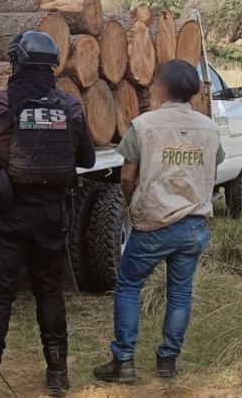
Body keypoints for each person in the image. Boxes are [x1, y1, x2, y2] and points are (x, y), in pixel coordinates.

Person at [0, 31, 96, 398]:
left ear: (17, 63)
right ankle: (57, 377)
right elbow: (87, 159)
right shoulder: (70, 106)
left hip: (5, 219)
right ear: (51, 65)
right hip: (52, 219)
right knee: (50, 294)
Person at [93, 59, 223, 383]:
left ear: (164, 87)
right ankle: (167, 362)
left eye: (156, 82)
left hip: (153, 223)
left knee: (128, 286)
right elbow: (213, 168)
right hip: (194, 225)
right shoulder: (209, 128)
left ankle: (123, 362)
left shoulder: (144, 125)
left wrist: (131, 203)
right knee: (180, 293)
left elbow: (127, 176)